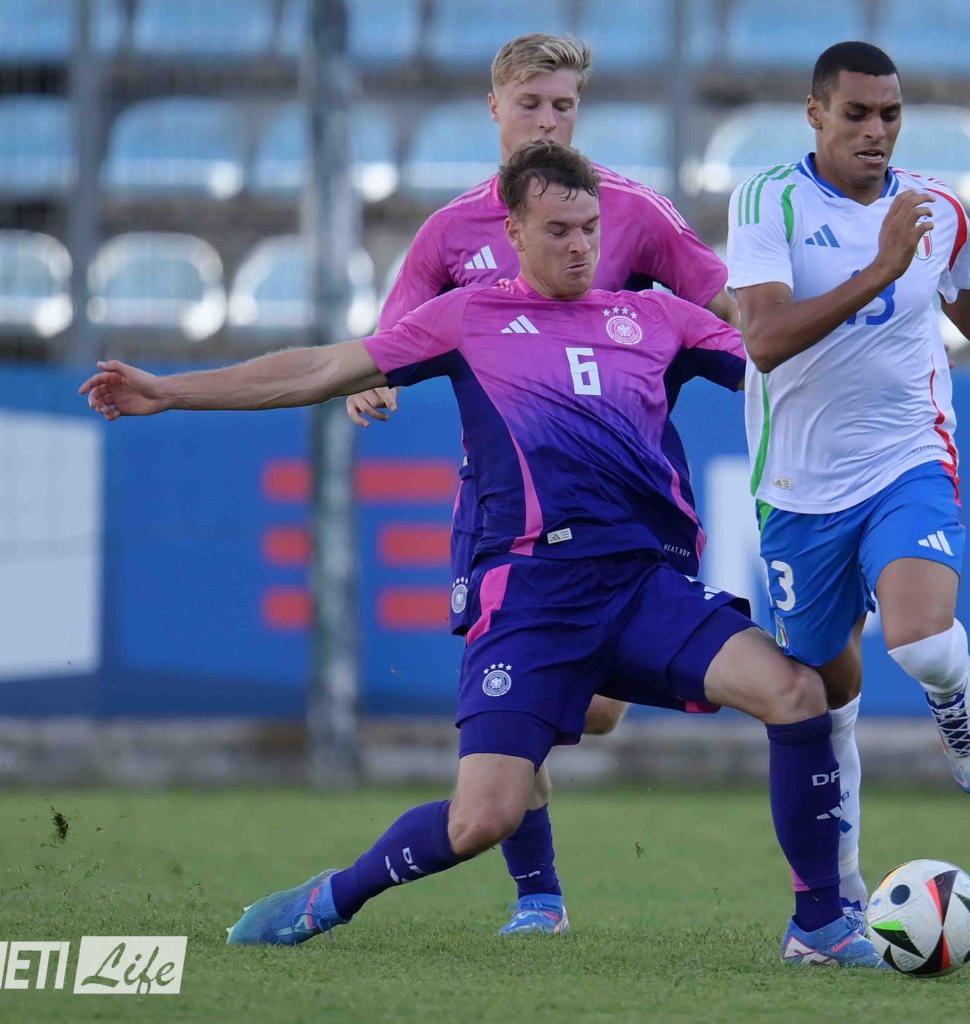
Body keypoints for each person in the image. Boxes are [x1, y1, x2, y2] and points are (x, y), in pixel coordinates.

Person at [79, 141, 884, 969]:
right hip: (532, 596)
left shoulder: (659, 320)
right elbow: (322, 368)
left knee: (794, 693)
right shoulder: (467, 318)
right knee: (481, 819)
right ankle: (334, 896)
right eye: (559, 230)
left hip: (642, 585)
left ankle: (818, 926)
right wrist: (170, 390)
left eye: (591, 228)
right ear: (515, 232)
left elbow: (785, 370)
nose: (580, 244)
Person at [347, 33, 740, 935]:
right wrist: (370, 384)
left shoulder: (630, 212)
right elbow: (390, 335)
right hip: (504, 510)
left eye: (563, 105)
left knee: (595, 711)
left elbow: (724, 311)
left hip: (620, 503)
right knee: (522, 705)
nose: (547, 121)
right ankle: (539, 896)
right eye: (531, 103)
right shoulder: (449, 232)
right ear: (495, 108)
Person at [726, 42, 970, 925]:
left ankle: (954, 699)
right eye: (856, 113)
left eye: (890, 115)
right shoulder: (768, 200)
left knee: (923, 638)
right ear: (815, 113)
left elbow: (967, 298)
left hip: (907, 458)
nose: (876, 131)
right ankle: (843, 890)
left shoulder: (935, 208)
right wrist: (880, 270)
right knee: (825, 706)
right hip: (798, 489)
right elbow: (765, 339)